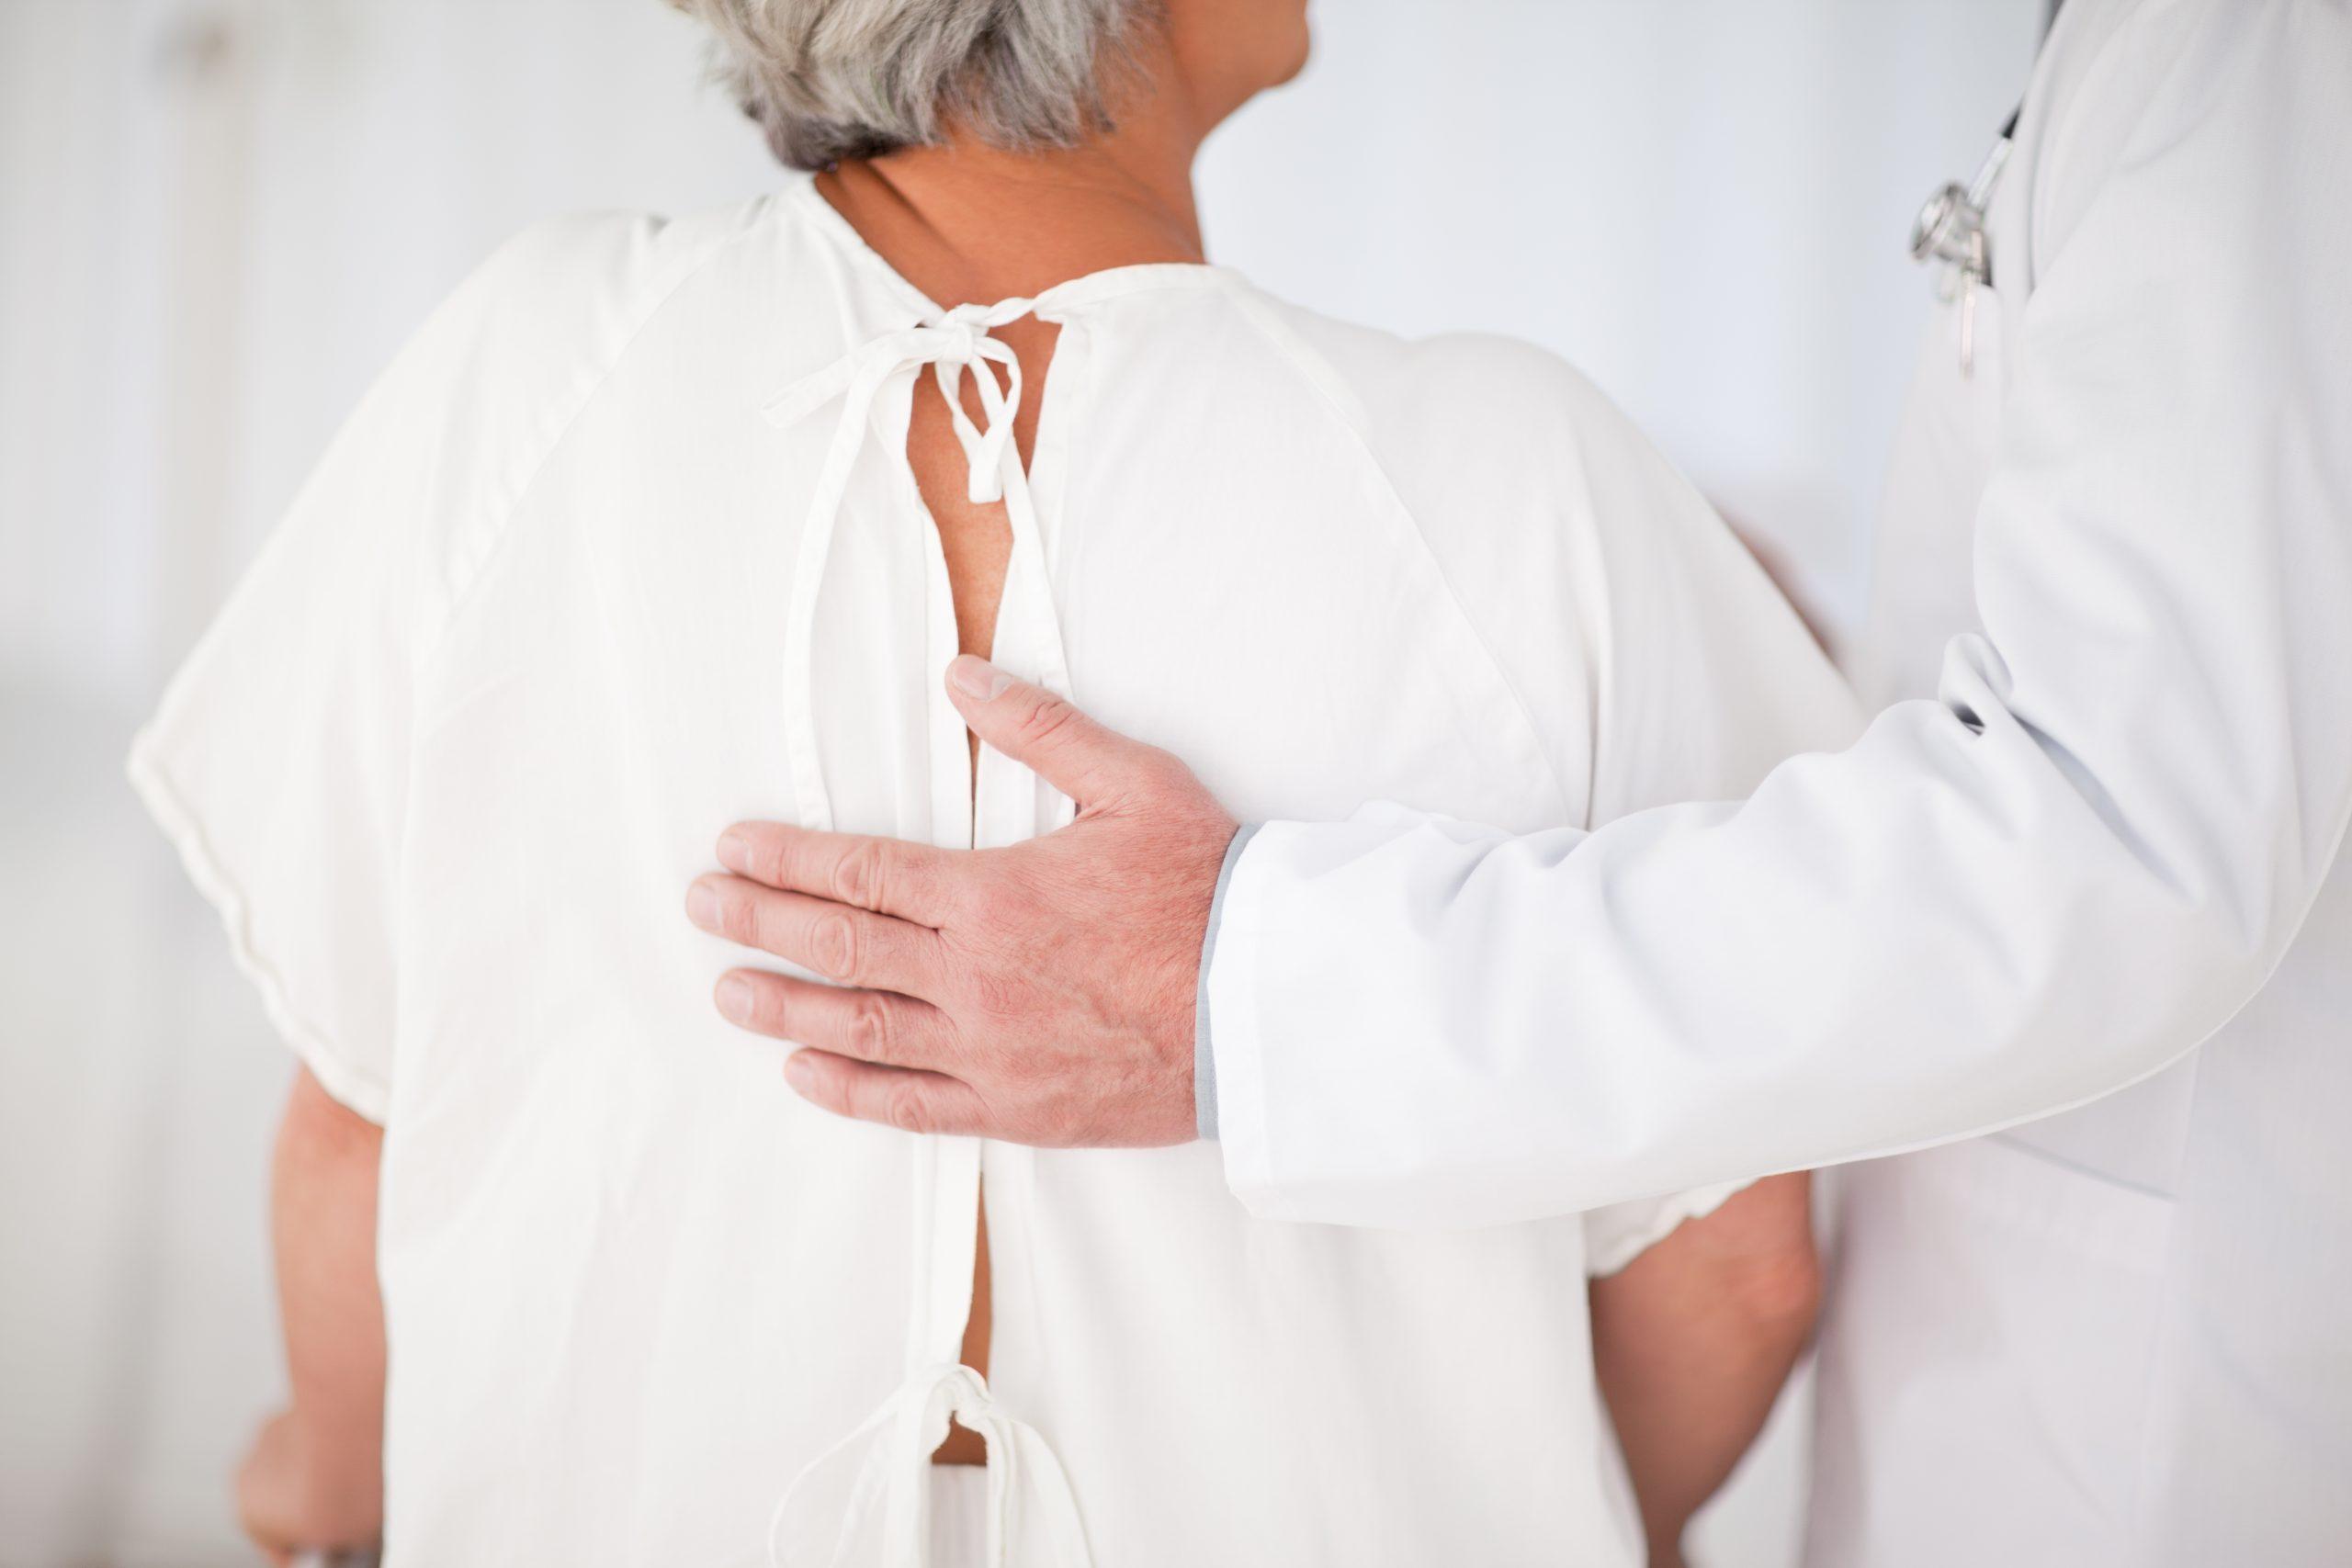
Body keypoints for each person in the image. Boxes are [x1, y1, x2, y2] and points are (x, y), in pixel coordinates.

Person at [130, 1, 1856, 1562]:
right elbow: (1741, 1257)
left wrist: (326, 1485)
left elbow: (356, 1123)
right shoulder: (1520, 475)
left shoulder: (534, 369)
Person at [699, 0, 2352, 1562]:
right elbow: (1744, 1266)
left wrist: (1239, 987)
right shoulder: (1512, 472)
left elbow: (2134, 807)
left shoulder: (509, 404)